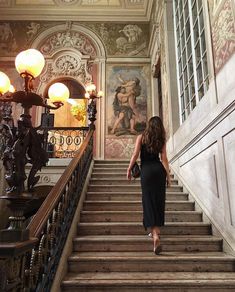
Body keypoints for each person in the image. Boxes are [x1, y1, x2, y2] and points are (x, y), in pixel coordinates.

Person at [127, 116, 171, 254]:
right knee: (158, 202)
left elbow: (135, 155)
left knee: (148, 202)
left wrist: (129, 169)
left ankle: (155, 234)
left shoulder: (141, 137)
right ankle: (156, 232)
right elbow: (164, 159)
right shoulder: (161, 140)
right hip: (159, 171)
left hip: (146, 172)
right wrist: (168, 176)